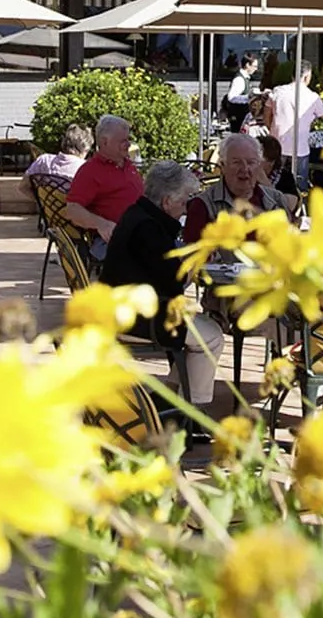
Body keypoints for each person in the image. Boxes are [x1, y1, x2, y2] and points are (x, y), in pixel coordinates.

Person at [101, 160, 226, 416]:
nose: (185, 209)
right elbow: (174, 281)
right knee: (211, 337)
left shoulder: (137, 214)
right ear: (167, 201)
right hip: (139, 317)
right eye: (183, 202)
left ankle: (170, 397)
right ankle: (192, 411)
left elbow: (159, 268)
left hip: (124, 306)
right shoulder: (148, 228)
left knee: (204, 330)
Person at [185, 132, 298, 244]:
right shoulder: (202, 205)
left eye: (251, 162)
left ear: (259, 166)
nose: (244, 169)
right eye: (236, 162)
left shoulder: (276, 200)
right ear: (223, 166)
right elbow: (193, 255)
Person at [62, 114, 143, 251]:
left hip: (141, 234)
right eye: (123, 141)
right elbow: (72, 210)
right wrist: (101, 224)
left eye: (128, 139)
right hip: (115, 241)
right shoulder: (90, 171)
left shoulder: (128, 165)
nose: (128, 144)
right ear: (105, 142)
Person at [263, 66, 323, 188]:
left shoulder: (277, 91)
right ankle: (297, 206)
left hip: (277, 145)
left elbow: (267, 115)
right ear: (306, 77)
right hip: (300, 149)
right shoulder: (312, 97)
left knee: (273, 186)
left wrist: (273, 130)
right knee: (298, 187)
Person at [23, 123, 90, 200]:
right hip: (75, 210)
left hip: (48, 210)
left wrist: (43, 203)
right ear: (85, 148)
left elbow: (23, 187)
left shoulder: (43, 160)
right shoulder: (85, 167)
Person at [221, 53, 260, 131]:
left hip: (242, 117)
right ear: (247, 65)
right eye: (254, 66)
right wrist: (248, 97)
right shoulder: (239, 79)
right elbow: (231, 97)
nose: (256, 69)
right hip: (238, 117)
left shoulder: (245, 78)